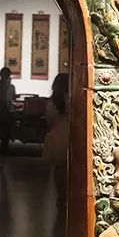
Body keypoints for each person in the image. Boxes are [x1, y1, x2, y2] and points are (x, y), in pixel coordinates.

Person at [43, 73, 69, 204]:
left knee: (58, 168)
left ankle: (60, 195)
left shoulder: (52, 101)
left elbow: (49, 121)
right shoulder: (73, 99)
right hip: (70, 135)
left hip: (56, 136)